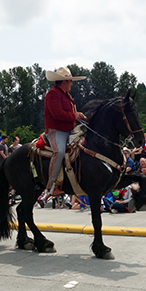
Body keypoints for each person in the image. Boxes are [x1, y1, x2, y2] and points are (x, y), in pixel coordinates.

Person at [44, 66, 86, 196]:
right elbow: (57, 114)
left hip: (69, 129)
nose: (72, 84)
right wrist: (75, 116)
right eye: (70, 81)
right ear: (64, 82)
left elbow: (68, 113)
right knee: (60, 151)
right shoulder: (52, 94)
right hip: (56, 131)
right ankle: (51, 186)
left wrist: (78, 116)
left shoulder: (66, 95)